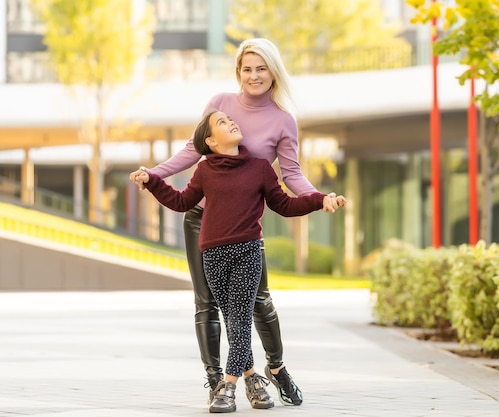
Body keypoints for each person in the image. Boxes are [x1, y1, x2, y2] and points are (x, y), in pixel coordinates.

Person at [129, 38, 342, 407]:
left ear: (273, 72)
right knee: (206, 304)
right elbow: (193, 150)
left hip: (244, 226)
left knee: (257, 303)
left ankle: (275, 369)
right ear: (238, 72)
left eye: (261, 68)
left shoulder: (282, 120)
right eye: (247, 69)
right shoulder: (219, 105)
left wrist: (320, 198)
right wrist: (153, 173)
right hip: (203, 219)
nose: (253, 76)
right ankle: (218, 383)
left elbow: (291, 175)